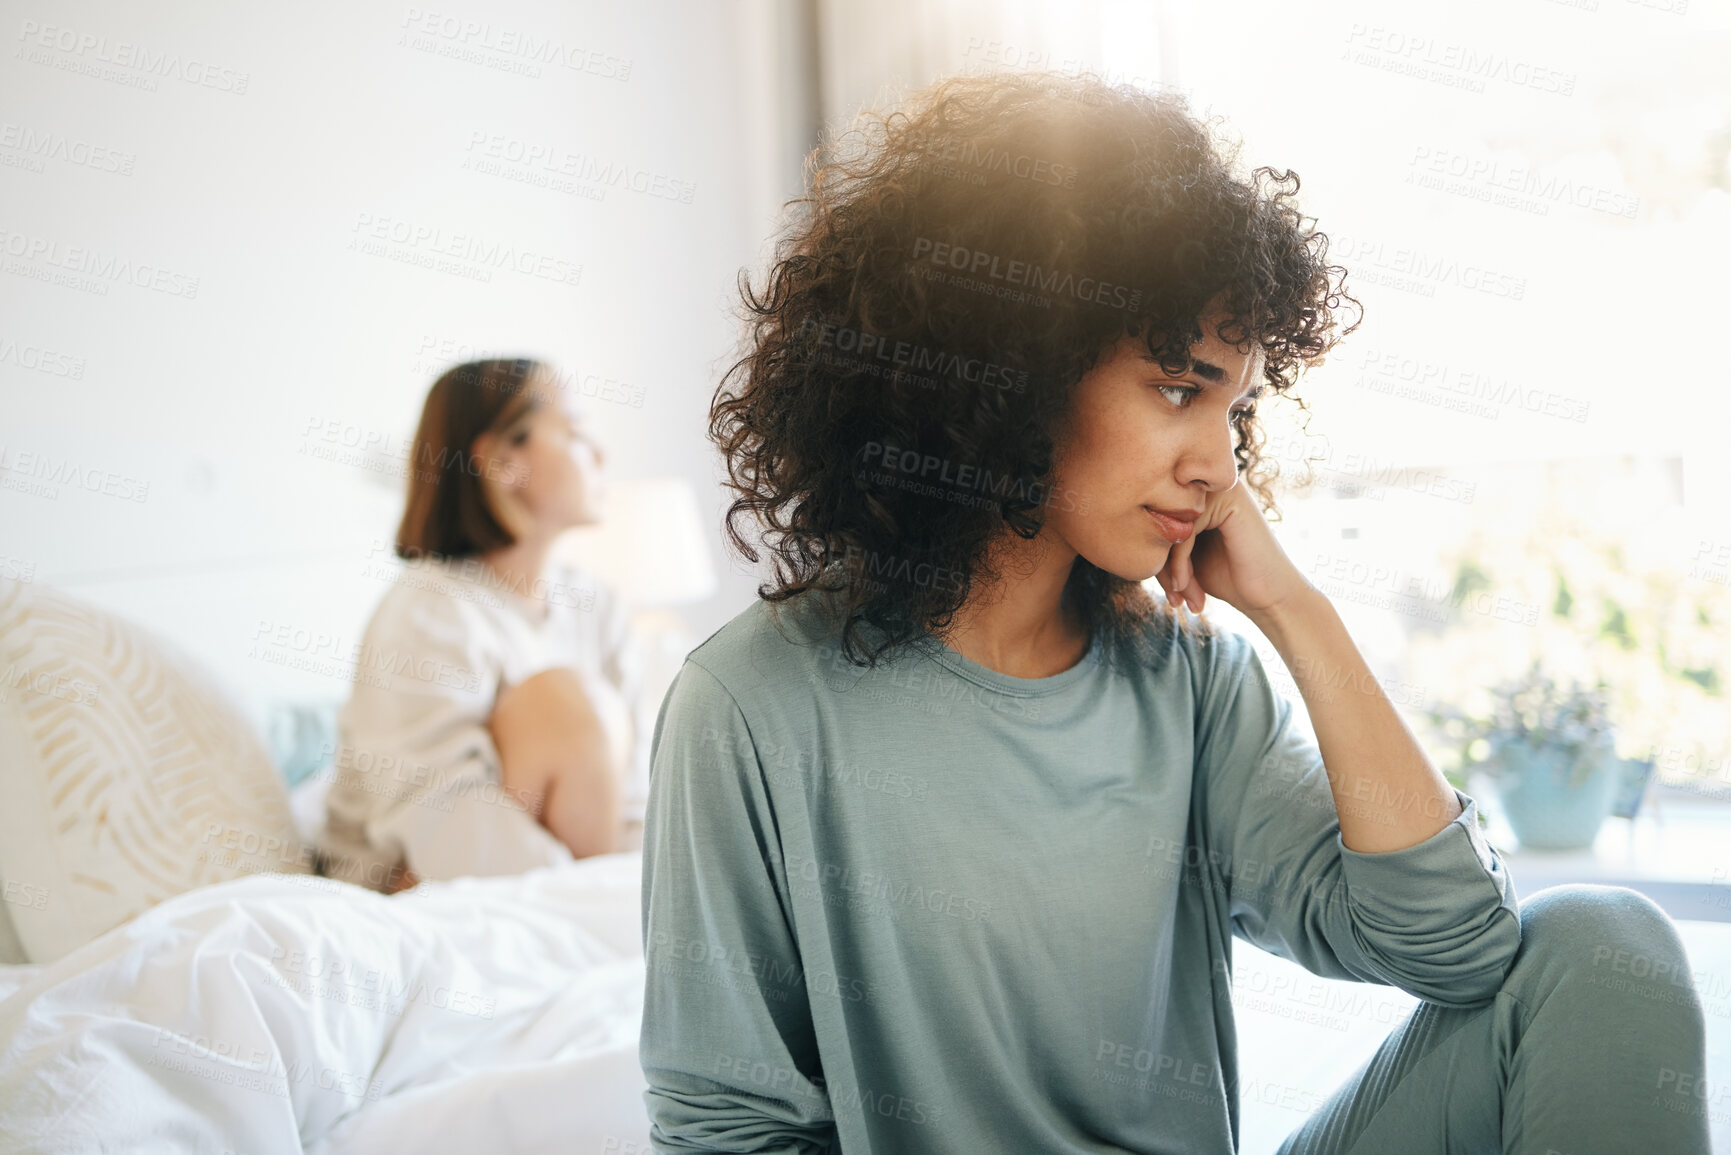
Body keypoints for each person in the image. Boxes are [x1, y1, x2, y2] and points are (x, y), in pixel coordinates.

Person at [637, 72, 1711, 1153]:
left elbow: (1460, 952)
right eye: (1179, 389)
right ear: (1013, 370)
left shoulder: (1193, 680)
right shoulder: (750, 705)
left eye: (1236, 408)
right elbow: (727, 1123)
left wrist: (1296, 611)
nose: (1221, 464)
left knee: (1598, 943)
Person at [320, 357, 647, 895]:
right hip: (404, 886)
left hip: (555, 874)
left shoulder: (599, 606)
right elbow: (437, 816)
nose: (600, 455)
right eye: (574, 432)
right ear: (502, 463)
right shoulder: (428, 610)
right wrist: (580, 897)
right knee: (567, 703)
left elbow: (634, 793)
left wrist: (630, 891)